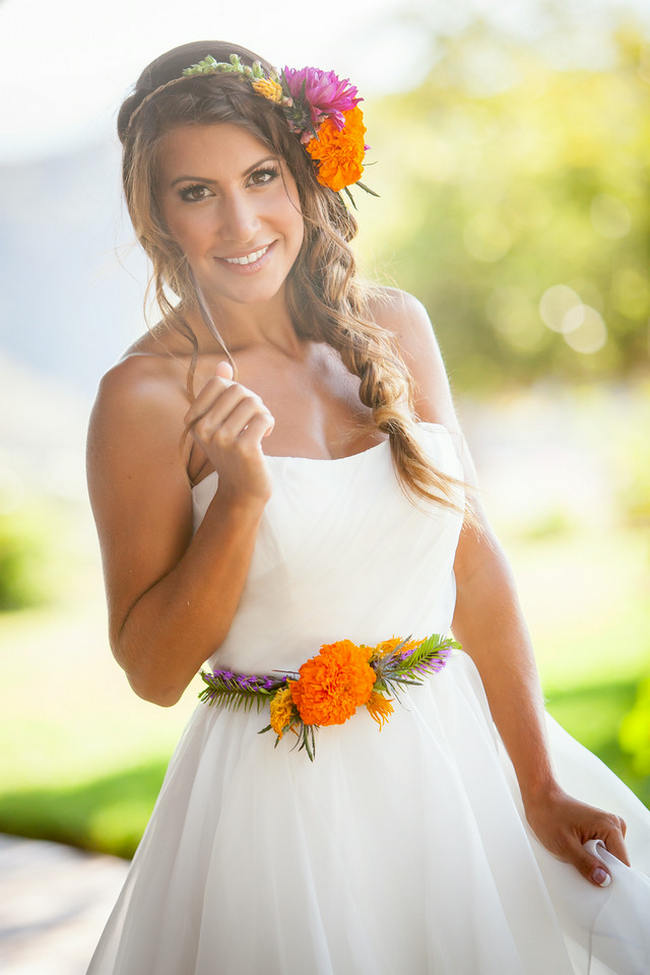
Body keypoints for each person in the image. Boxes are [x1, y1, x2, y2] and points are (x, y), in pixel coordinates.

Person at [85, 39, 650, 975]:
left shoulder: (394, 327)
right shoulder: (144, 397)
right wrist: (238, 500)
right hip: (279, 815)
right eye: (197, 192)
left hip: (453, 765)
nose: (239, 221)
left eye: (262, 175)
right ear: (157, 218)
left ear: (308, 176)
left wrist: (537, 783)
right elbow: (151, 669)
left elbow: (471, 563)